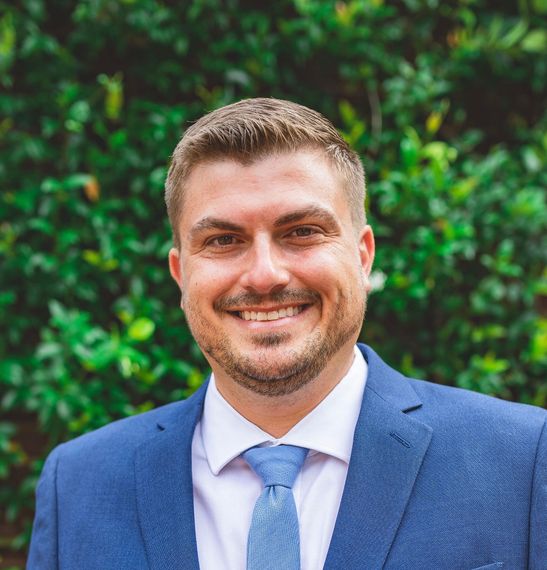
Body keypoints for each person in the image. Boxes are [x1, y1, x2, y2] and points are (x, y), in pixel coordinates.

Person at [27, 98, 545, 570]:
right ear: (181, 274)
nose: (265, 274)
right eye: (223, 239)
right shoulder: (77, 486)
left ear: (363, 256)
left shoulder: (521, 462)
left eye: (301, 232)